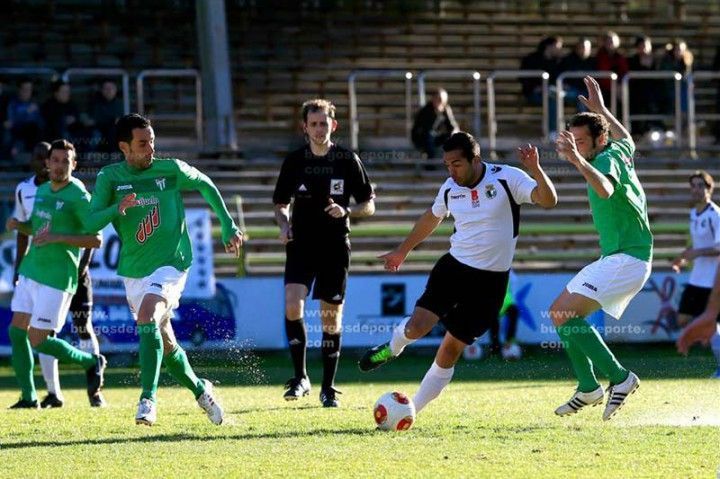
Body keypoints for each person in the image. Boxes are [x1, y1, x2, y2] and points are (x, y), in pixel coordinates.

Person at [358, 131, 557, 416]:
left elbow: (548, 201)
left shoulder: (506, 177)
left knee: (450, 350)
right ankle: (392, 347)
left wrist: (536, 170)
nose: (451, 171)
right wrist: (402, 251)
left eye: (456, 164)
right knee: (416, 328)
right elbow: (432, 217)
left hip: (491, 282)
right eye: (446, 165)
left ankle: (412, 410)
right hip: (453, 269)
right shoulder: (450, 188)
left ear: (475, 159)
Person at [89, 113, 243, 425]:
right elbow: (91, 222)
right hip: (134, 270)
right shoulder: (110, 177)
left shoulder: (170, 170)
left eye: (152, 142)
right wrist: (115, 209)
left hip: (172, 264)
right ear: (124, 147)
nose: (150, 149)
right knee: (164, 340)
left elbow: (206, 184)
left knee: (147, 316)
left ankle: (148, 399)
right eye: (142, 144)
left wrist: (227, 224)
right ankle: (202, 391)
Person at [550, 76, 653, 421]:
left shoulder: (605, 160)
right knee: (562, 315)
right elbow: (627, 138)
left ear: (599, 139)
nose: (576, 146)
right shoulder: (619, 149)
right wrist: (602, 110)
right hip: (626, 257)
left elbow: (606, 189)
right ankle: (588, 387)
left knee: (563, 313)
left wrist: (578, 162)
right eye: (573, 141)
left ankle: (621, 378)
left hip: (628, 256)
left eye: (582, 141)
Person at [273, 99, 375, 408]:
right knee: (293, 305)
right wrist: (284, 223)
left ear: (334, 125)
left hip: (334, 245)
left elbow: (369, 204)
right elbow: (280, 203)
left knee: (330, 318)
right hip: (301, 243)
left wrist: (346, 210)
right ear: (304, 127)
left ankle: (328, 387)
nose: (319, 129)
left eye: (324, 123)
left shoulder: (346, 159)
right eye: (313, 124)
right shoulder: (294, 161)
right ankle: (300, 377)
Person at [5, 139, 107, 409]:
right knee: (17, 333)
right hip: (31, 271)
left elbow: (96, 239)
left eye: (66, 161)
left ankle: (90, 361)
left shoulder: (78, 194)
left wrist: (58, 237)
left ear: (74, 165)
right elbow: (38, 232)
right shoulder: (42, 191)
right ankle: (29, 398)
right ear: (47, 164)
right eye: (56, 160)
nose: (60, 166)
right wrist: (20, 225)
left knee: (38, 339)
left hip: (57, 278)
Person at [671, 171, 720, 378]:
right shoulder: (694, 213)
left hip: (713, 280)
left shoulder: (715, 214)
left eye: (701, 185)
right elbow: (696, 244)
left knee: (714, 324)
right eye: (693, 186)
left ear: (709, 188)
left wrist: (695, 253)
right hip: (696, 278)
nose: (696, 189)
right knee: (682, 319)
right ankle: (707, 337)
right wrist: (683, 257)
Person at [520, 36, 564, 133]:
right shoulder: (531, 60)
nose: (559, 49)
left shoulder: (558, 62)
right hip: (534, 94)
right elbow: (523, 78)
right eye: (558, 46)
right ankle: (553, 132)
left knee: (575, 96)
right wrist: (536, 88)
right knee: (551, 99)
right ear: (549, 46)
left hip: (553, 92)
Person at [411, 88, 459, 159]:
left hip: (434, 137)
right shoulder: (426, 110)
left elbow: (452, 126)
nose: (439, 101)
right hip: (422, 137)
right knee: (429, 137)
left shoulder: (445, 109)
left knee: (454, 136)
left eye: (441, 99)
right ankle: (430, 165)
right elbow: (425, 129)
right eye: (437, 98)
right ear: (433, 99)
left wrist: (454, 133)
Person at [4, 78, 43, 159]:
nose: (27, 92)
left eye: (29, 90)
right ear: (19, 90)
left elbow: (40, 122)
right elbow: (11, 122)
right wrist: (26, 113)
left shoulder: (34, 104)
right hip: (18, 133)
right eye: (24, 89)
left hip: (33, 134)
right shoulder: (12, 103)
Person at [88, 79, 124, 153]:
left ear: (115, 90)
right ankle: (90, 157)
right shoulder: (96, 103)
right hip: (99, 129)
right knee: (95, 135)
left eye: (111, 88)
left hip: (114, 130)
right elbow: (95, 119)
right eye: (106, 89)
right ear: (102, 90)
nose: (109, 91)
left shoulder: (121, 104)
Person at [595, 31, 628, 102]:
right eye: (608, 41)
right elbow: (602, 71)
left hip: (617, 87)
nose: (610, 44)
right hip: (603, 88)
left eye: (612, 41)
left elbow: (624, 71)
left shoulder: (620, 56)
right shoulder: (600, 56)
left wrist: (619, 84)